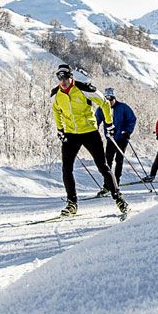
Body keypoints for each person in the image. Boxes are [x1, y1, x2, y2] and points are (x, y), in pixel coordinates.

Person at [51, 64, 125, 217]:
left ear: (71, 76)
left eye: (65, 77)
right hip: (71, 134)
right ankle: (72, 203)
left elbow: (104, 103)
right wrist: (60, 129)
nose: (63, 80)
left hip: (90, 132)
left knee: (102, 166)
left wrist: (109, 123)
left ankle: (118, 199)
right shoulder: (57, 94)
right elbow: (56, 110)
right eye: (60, 77)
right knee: (66, 168)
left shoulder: (83, 88)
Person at [100, 86, 137, 191]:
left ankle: (117, 183)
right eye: (106, 99)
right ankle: (107, 185)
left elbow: (132, 119)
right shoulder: (102, 108)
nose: (109, 101)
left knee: (119, 160)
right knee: (108, 162)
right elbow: (96, 120)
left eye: (111, 99)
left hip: (122, 138)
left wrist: (128, 131)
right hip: (110, 139)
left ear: (114, 98)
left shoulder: (123, 107)